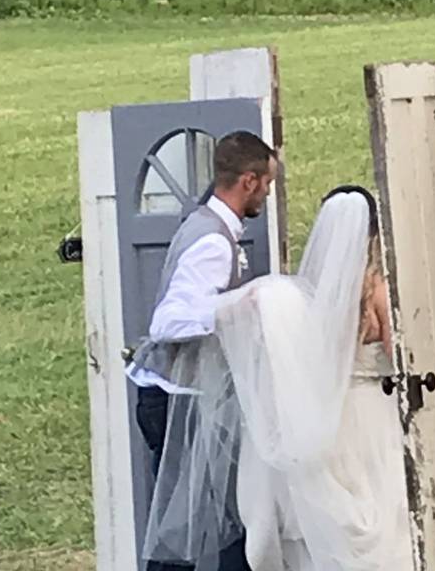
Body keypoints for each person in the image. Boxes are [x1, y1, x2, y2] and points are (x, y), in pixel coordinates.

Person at [151, 185, 413, 570]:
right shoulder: (378, 292)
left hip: (335, 413)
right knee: (387, 507)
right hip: (374, 413)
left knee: (342, 514)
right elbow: (401, 358)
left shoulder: (315, 294)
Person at [126, 130, 278, 571]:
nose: (266, 194)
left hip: (181, 397)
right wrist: (237, 307)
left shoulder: (206, 225)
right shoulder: (213, 241)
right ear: (248, 181)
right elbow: (167, 322)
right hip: (177, 402)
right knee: (182, 531)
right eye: (266, 184)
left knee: (203, 523)